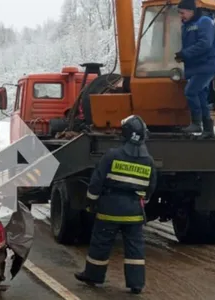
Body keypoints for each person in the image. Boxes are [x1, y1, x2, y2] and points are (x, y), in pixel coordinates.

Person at [74, 115, 157, 295]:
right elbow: (150, 188)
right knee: (135, 248)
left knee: (101, 244)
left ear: (125, 134)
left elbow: (96, 182)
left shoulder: (112, 155)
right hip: (134, 211)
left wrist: (91, 203)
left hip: (109, 209)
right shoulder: (148, 160)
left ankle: (93, 275)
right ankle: (136, 284)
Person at [175, 0, 215, 136]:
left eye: (182, 12)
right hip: (197, 66)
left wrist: (186, 53)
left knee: (190, 91)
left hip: (207, 65)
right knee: (200, 95)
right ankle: (208, 129)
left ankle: (196, 124)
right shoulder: (187, 25)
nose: (180, 16)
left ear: (191, 11)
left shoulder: (205, 22)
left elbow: (205, 44)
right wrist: (181, 56)